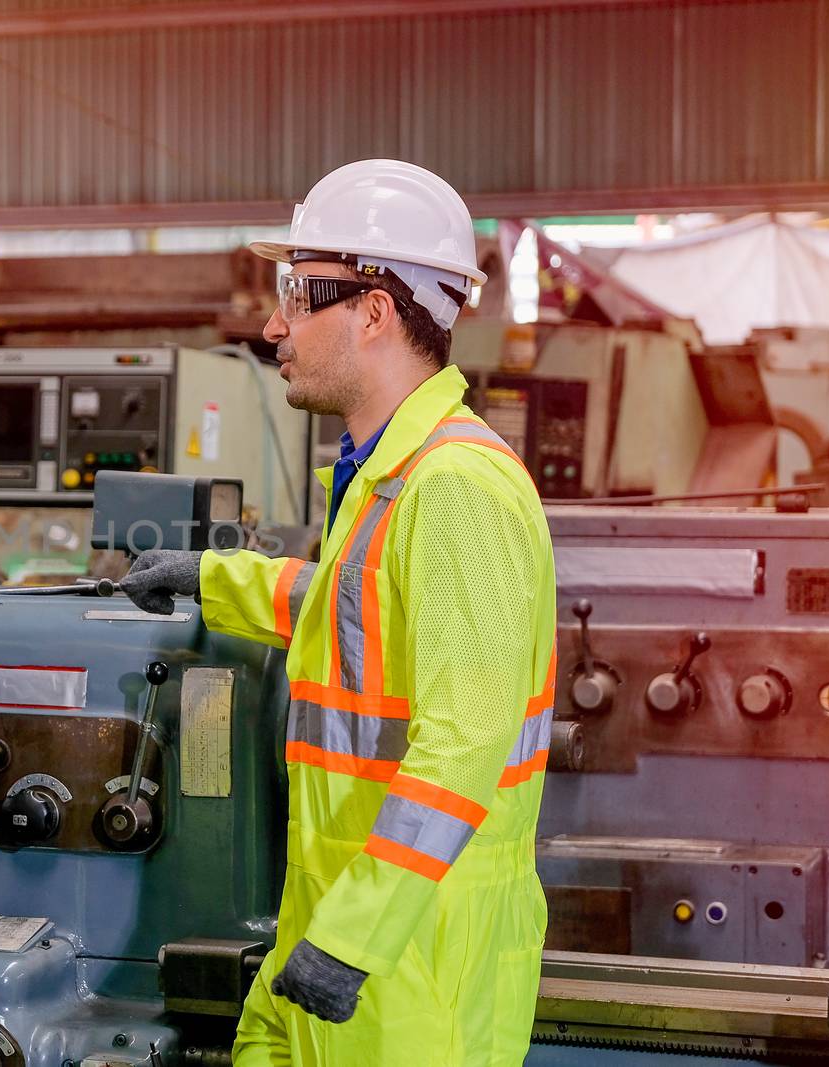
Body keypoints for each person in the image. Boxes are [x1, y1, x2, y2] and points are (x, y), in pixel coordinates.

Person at [123, 159, 555, 1065]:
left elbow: (462, 746)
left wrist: (354, 936)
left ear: (373, 310)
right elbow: (352, 610)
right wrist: (212, 576)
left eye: (296, 294)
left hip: (409, 965)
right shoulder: (386, 477)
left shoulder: (455, 488)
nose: (274, 324)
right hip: (329, 925)